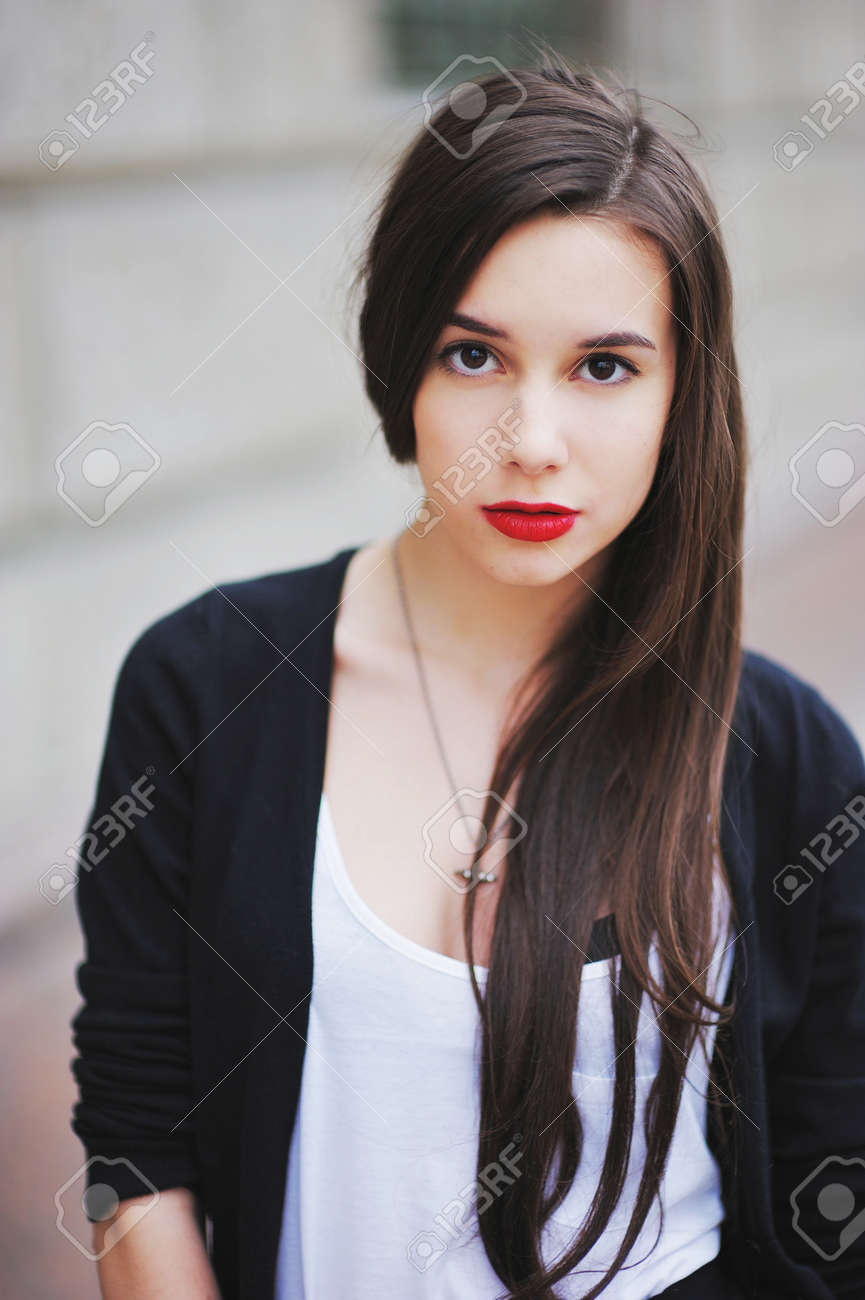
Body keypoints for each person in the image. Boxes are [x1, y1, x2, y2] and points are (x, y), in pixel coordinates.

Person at [68, 45, 865, 1300]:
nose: (531, 442)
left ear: (678, 392)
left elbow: (831, 1197)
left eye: (604, 366)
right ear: (402, 366)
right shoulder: (206, 688)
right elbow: (135, 1141)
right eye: (475, 355)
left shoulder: (789, 758)